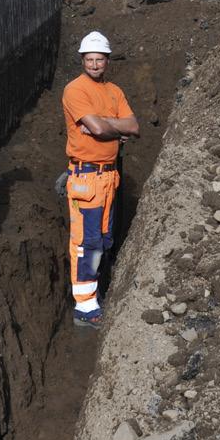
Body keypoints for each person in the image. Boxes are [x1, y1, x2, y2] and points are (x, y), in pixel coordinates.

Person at [61, 31, 139, 329]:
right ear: (83, 60)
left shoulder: (114, 92)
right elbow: (95, 127)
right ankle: (84, 306)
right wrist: (112, 129)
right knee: (87, 242)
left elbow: (134, 126)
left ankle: (94, 295)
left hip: (107, 178)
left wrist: (110, 128)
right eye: (90, 60)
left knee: (104, 240)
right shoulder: (75, 90)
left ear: (107, 61)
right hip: (86, 179)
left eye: (100, 59)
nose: (95, 64)